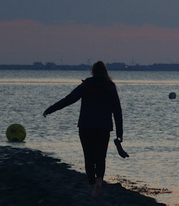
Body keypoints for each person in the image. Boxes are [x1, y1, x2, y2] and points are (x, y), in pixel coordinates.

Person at [43, 61, 124, 197]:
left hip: (86, 126)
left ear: (93, 71)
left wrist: (51, 109)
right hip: (103, 128)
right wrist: (119, 134)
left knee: (89, 156)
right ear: (105, 72)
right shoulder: (110, 87)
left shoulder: (86, 85)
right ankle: (99, 182)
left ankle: (92, 186)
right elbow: (117, 112)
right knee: (100, 157)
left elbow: (69, 99)